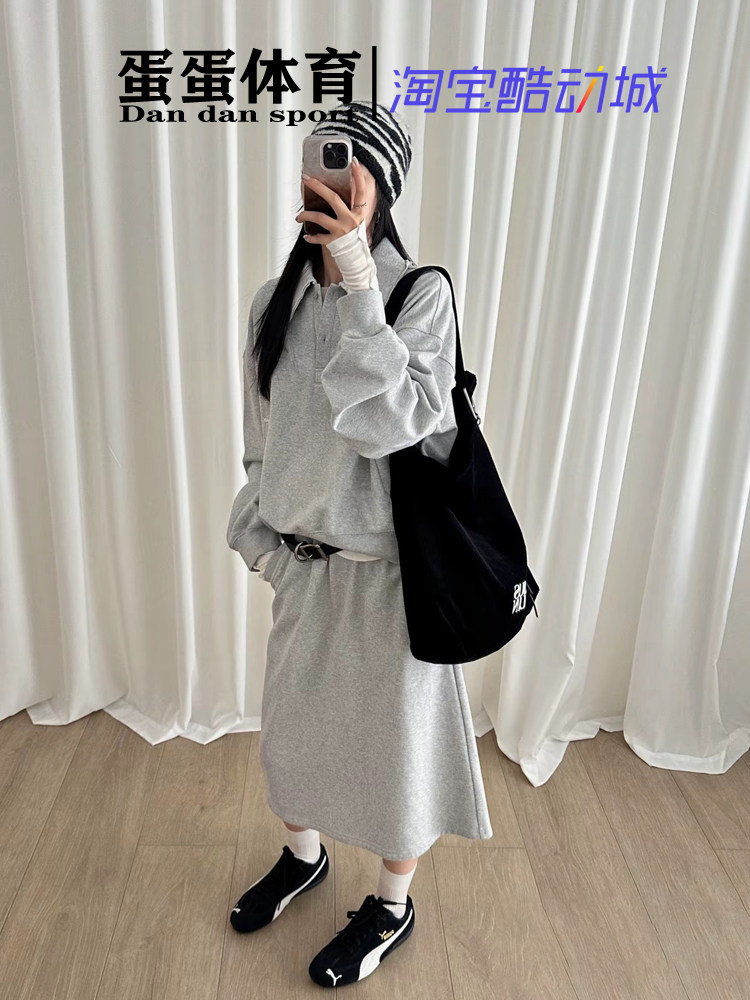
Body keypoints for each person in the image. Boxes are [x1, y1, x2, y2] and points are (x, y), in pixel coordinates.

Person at [226, 100, 493, 987]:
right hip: (302, 572)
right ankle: (303, 859)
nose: (328, 183)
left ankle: (390, 904)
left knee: (396, 761)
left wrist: (355, 282)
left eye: (349, 170)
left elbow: (401, 423)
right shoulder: (271, 305)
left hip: (392, 581)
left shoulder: (421, 296)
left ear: (382, 190)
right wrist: (267, 548)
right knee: (292, 741)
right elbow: (261, 443)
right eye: (317, 165)